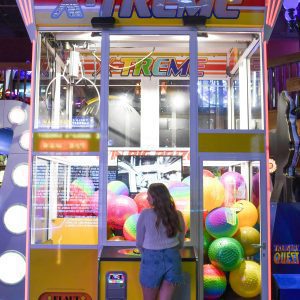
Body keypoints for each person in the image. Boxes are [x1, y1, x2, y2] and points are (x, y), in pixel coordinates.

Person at [136, 183, 185, 300]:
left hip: (151, 258)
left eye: (149, 196)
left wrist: (147, 252)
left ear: (156, 198)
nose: (147, 198)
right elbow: (181, 241)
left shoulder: (145, 214)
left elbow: (139, 242)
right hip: (172, 257)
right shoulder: (177, 214)